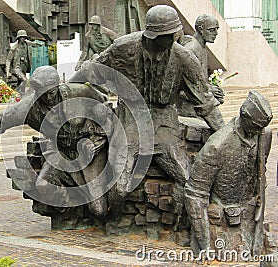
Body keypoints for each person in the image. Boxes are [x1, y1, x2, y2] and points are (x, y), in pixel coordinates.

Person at [71, 5, 225, 223]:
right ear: (153, 36)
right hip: (129, 121)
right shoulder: (123, 48)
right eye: (168, 36)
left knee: (187, 177)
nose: (173, 39)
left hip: (163, 124)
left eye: (175, 34)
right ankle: (114, 223)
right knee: (120, 187)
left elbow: (205, 102)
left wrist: (225, 134)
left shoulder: (184, 58)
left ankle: (180, 224)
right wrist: (65, 91)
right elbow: (92, 70)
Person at [0, 66, 112, 217]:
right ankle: (73, 212)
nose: (48, 97)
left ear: (58, 85)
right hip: (60, 152)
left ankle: (93, 196)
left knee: (99, 210)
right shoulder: (28, 108)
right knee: (44, 186)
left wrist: (97, 139)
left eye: (51, 92)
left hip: (89, 151)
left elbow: (105, 107)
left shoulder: (79, 92)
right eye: (43, 93)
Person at [184, 91, 272, 256]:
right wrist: (204, 243)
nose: (259, 131)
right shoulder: (218, 145)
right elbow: (194, 193)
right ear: (244, 116)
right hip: (220, 218)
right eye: (255, 126)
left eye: (262, 127)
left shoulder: (264, 134)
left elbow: (261, 174)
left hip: (248, 214)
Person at [177, 14, 225, 117]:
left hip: (198, 108)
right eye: (212, 30)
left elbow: (198, 81)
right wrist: (208, 90)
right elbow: (180, 88)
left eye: (217, 29)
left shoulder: (201, 47)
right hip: (188, 111)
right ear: (200, 29)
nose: (216, 33)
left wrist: (212, 89)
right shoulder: (191, 49)